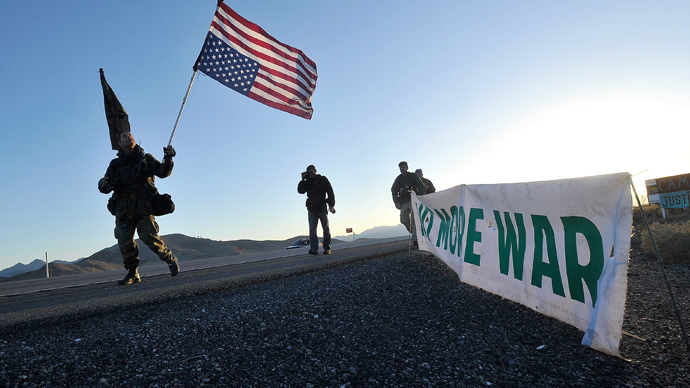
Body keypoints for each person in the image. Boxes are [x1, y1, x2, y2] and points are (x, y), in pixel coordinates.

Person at [98, 131, 180, 285]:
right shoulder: (115, 165)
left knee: (149, 237)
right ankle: (132, 273)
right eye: (123, 136)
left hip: (144, 206)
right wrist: (104, 184)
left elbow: (163, 172)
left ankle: (169, 259)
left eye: (130, 135)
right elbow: (104, 186)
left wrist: (169, 157)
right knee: (124, 240)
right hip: (123, 208)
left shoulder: (146, 159)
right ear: (120, 144)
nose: (128, 136)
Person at [297, 165, 336, 255]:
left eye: (311, 171)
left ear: (315, 170)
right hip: (311, 208)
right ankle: (314, 248)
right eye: (308, 171)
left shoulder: (322, 179)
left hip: (322, 205)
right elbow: (300, 191)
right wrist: (303, 180)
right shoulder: (307, 181)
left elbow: (330, 191)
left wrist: (331, 205)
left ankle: (327, 248)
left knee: (325, 228)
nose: (310, 173)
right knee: (312, 229)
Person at [391, 161, 426, 244]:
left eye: (403, 167)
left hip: (414, 200)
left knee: (414, 219)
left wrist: (420, 197)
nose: (402, 169)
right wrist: (396, 201)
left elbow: (421, 186)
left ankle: (415, 239)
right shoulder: (398, 179)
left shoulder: (413, 176)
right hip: (404, 202)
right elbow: (393, 190)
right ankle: (416, 233)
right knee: (403, 219)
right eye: (400, 168)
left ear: (407, 167)